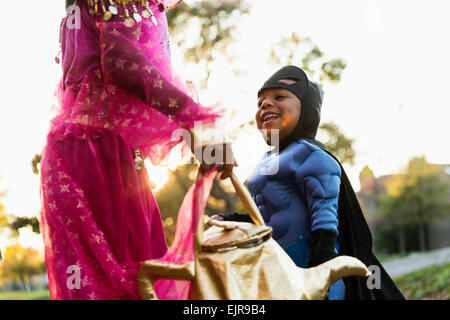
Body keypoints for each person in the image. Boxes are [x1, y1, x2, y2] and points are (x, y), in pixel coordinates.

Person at [40, 0, 235, 300]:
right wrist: (196, 120)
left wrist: (192, 129)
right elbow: (121, 60)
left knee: (127, 281)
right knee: (134, 281)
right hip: (97, 155)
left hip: (89, 152)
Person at [210, 65, 405, 300]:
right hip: (276, 270)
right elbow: (263, 219)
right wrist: (230, 220)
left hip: (311, 270)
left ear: (307, 108)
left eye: (279, 97)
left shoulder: (311, 156)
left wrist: (318, 274)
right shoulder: (265, 161)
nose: (265, 105)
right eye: (260, 102)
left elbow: (324, 224)